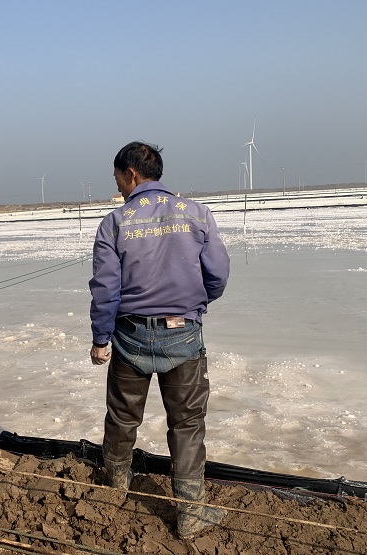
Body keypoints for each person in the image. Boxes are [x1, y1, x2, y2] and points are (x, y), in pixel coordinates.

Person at [88, 142, 230, 537]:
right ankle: (190, 513)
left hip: (129, 337)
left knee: (122, 416)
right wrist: (192, 304)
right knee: (187, 424)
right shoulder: (196, 213)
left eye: (118, 178)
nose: (117, 186)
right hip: (183, 335)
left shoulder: (115, 222)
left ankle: (117, 486)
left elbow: (105, 290)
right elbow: (218, 275)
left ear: (131, 174)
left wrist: (101, 339)